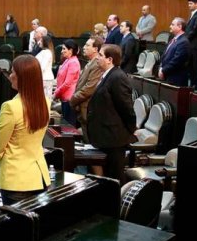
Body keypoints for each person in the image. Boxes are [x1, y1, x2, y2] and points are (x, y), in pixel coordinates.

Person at [0, 54, 51, 205]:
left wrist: (7, 163)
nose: (10, 76)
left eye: (13, 72)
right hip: (39, 176)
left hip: (16, 180)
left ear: (23, 78)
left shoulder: (11, 107)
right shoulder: (46, 103)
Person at [86, 44, 137, 183]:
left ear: (109, 59)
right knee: (107, 177)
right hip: (105, 136)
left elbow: (127, 108)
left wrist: (132, 129)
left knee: (114, 178)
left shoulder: (118, 77)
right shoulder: (107, 75)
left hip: (114, 138)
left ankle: (117, 204)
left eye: (101, 55)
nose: (97, 58)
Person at [70, 37, 103, 141]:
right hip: (82, 107)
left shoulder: (97, 64)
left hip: (88, 108)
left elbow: (89, 88)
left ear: (96, 49)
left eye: (87, 45)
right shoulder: (90, 62)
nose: (84, 47)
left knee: (89, 141)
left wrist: (73, 99)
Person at [54, 39, 81, 126]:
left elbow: (67, 83)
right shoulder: (68, 60)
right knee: (65, 124)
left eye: (64, 49)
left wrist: (56, 94)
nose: (62, 51)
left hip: (69, 98)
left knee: (68, 127)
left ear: (71, 50)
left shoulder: (73, 62)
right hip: (64, 97)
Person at [158, 17, 190, 86]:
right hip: (168, 76)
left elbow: (177, 61)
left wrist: (163, 71)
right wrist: (161, 68)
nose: (170, 26)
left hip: (176, 79)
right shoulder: (173, 39)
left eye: (172, 24)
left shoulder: (184, 42)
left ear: (179, 27)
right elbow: (164, 56)